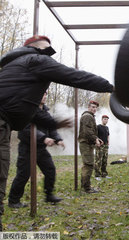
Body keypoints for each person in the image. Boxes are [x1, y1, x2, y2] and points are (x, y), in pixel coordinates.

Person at [0, 35, 113, 230]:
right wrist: (111, 88)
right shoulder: (35, 60)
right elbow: (74, 76)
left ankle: (48, 194)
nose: (50, 55)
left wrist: (55, 123)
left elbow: (28, 111)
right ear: (36, 48)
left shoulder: (13, 68)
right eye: (47, 50)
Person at [8, 93, 68, 208]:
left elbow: (52, 129)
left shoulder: (45, 112)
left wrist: (58, 139)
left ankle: (49, 195)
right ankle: (13, 201)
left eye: (46, 94)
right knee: (23, 175)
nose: (44, 96)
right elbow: (24, 130)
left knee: (50, 170)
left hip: (40, 149)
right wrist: (43, 138)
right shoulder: (28, 110)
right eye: (42, 94)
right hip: (27, 148)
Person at [78, 100, 102, 193]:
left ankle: (84, 185)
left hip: (87, 143)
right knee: (88, 165)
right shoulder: (87, 116)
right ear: (88, 107)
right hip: (86, 143)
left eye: (95, 107)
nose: (94, 109)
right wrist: (95, 139)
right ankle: (86, 188)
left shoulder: (89, 116)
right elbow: (87, 131)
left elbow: (90, 131)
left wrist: (97, 138)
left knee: (87, 165)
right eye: (92, 107)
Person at [95, 115, 110, 180]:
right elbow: (95, 135)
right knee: (99, 160)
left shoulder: (107, 127)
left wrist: (108, 141)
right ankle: (97, 175)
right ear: (102, 119)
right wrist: (97, 141)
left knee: (105, 160)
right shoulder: (98, 127)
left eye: (107, 119)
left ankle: (104, 174)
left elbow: (108, 135)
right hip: (100, 146)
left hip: (105, 146)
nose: (106, 120)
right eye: (104, 119)